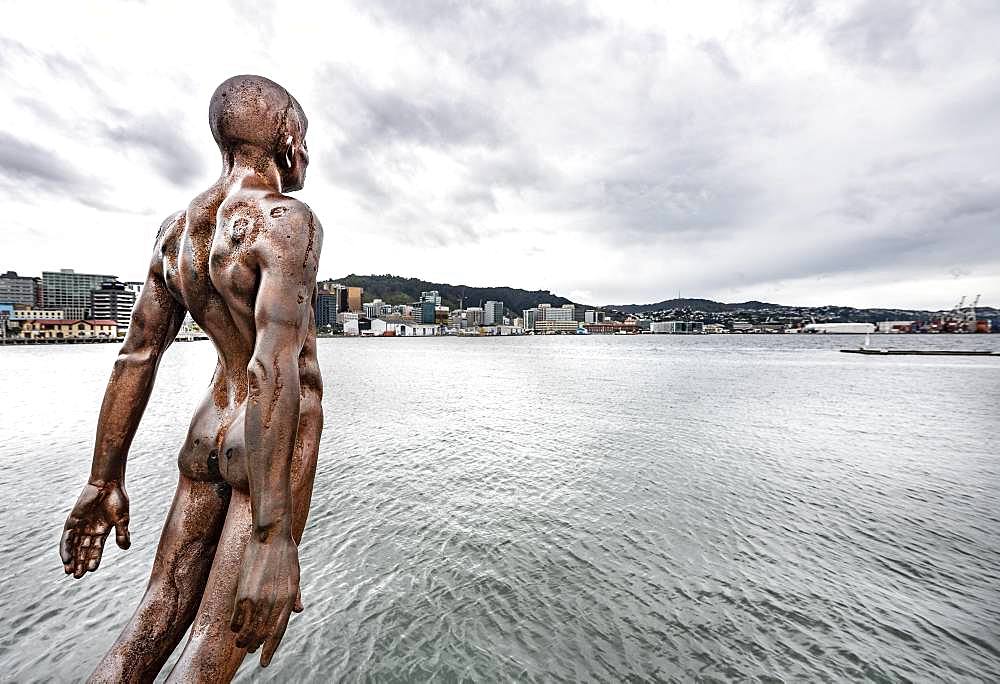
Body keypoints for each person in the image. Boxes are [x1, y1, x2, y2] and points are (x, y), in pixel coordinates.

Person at [59, 74, 324, 682]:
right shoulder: (288, 222)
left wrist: (104, 478)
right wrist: (272, 537)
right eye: (304, 140)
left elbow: (136, 355)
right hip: (265, 449)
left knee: (149, 621)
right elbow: (273, 368)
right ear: (287, 140)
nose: (306, 156)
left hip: (207, 433)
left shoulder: (176, 234)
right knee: (212, 647)